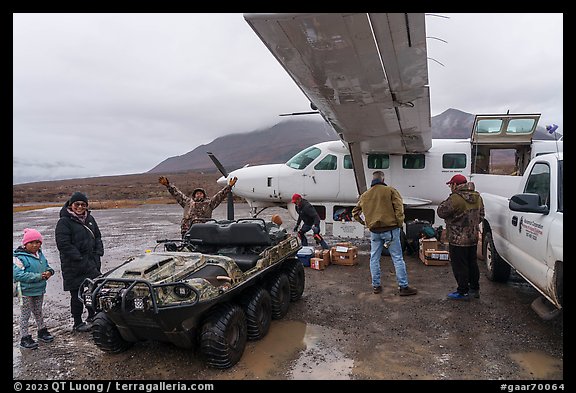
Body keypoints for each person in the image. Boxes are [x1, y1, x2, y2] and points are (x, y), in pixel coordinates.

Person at [352, 171, 417, 296]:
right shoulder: (391, 191)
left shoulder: (365, 195)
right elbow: (399, 208)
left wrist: (365, 223)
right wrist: (399, 223)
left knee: (374, 258)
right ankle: (403, 287)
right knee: (397, 258)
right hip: (390, 229)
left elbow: (355, 212)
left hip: (374, 231)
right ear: (383, 179)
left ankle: (376, 286)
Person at [55, 191, 104, 332]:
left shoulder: (90, 219)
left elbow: (98, 237)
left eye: (83, 204)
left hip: (91, 262)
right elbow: (63, 244)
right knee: (77, 294)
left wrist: (98, 253)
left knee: (92, 290)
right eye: (77, 204)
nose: (80, 207)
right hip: (73, 265)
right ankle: (77, 322)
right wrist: (78, 258)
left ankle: (92, 316)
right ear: (71, 205)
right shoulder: (64, 222)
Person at [437, 174, 485, 300]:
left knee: (460, 265)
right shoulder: (477, 197)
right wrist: (471, 225)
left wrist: (454, 221)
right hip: (473, 237)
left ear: (455, 185)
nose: (450, 187)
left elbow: (441, 212)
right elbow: (481, 215)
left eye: (451, 185)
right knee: (472, 263)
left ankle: (462, 291)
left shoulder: (455, 198)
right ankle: (474, 289)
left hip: (457, 239)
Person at [13, 228, 55, 349]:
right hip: (25, 291)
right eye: (32, 242)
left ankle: (42, 331)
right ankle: (24, 337)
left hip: (39, 289)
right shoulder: (19, 258)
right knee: (25, 314)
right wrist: (38, 276)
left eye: (38, 242)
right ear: (25, 244)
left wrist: (49, 272)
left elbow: (47, 266)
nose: (35, 245)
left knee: (38, 311)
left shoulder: (40, 255)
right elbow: (17, 275)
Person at [159, 176, 238, 237]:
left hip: (203, 231)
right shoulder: (187, 202)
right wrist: (168, 185)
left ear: (203, 195)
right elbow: (177, 193)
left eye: (201, 193)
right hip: (187, 231)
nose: (199, 195)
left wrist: (229, 187)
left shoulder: (209, 204)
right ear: (194, 195)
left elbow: (220, 196)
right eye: (197, 193)